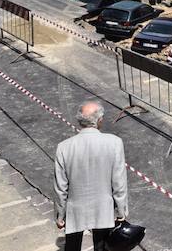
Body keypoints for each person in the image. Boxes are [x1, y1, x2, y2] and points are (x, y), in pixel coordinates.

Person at [54, 101, 128, 251]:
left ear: (79, 120)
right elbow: (119, 182)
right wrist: (121, 210)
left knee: (72, 246)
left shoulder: (63, 147)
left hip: (75, 209)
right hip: (103, 208)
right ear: (99, 120)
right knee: (101, 247)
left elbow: (60, 187)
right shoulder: (114, 143)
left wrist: (60, 215)